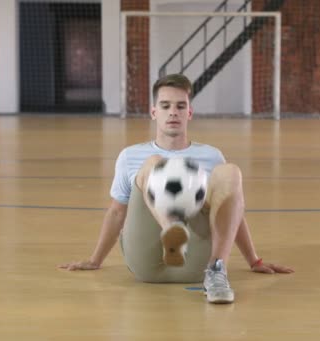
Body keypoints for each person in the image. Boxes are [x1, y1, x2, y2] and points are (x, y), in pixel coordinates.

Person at [59, 74, 293, 304]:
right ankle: (171, 228)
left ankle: (216, 272)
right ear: (154, 113)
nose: (173, 111)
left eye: (181, 106)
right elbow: (117, 211)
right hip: (146, 259)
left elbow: (231, 213)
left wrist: (254, 260)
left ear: (189, 113)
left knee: (231, 172)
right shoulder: (130, 156)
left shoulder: (211, 156)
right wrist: (95, 259)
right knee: (153, 162)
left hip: (196, 262)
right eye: (165, 105)